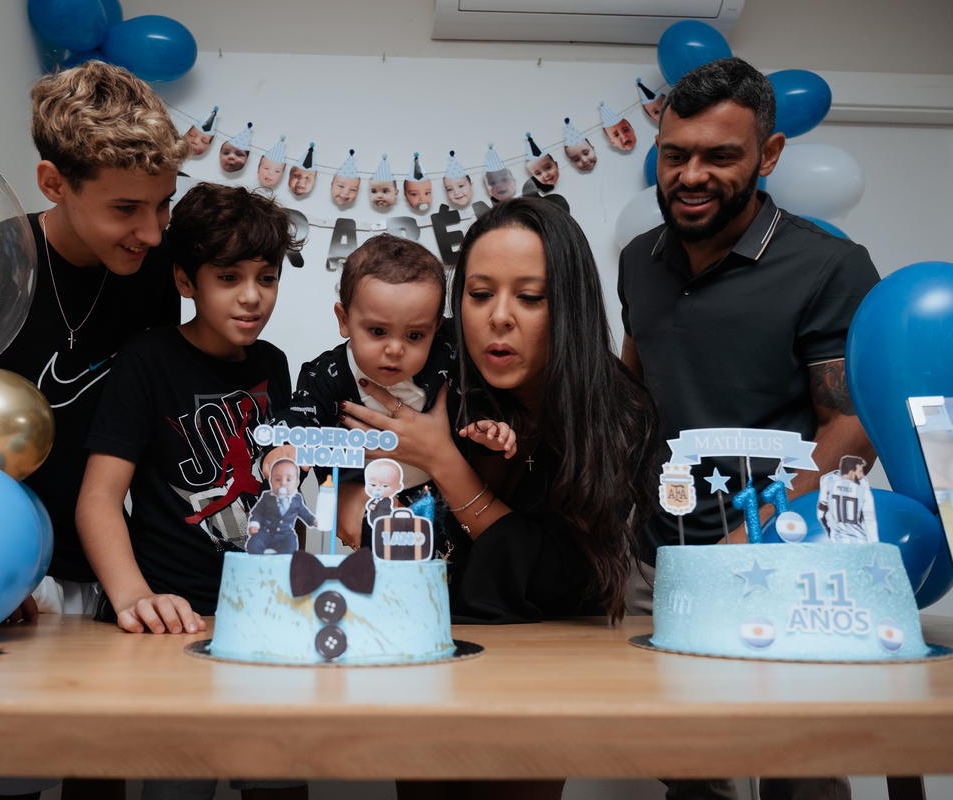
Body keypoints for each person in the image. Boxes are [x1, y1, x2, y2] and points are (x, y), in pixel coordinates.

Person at [618, 57, 878, 800]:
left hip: (786, 562)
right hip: (659, 558)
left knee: (798, 769)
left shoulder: (829, 266)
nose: (692, 175)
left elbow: (851, 424)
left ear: (768, 155)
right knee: (691, 770)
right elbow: (635, 385)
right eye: (676, 155)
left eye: (719, 156)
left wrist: (755, 534)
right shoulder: (639, 259)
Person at [340, 197, 659, 800]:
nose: (499, 318)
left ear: (567, 307)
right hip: (435, 650)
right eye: (480, 294)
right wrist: (352, 497)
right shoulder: (440, 384)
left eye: (530, 297)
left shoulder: (617, 413)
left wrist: (443, 462)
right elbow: (351, 479)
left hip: (550, 664)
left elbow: (563, 576)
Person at [0, 59, 188, 800]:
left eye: (163, 205)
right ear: (54, 184)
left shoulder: (152, 269)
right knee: (3, 776)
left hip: (106, 563)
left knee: (100, 764)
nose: (151, 231)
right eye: (125, 210)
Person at [76, 182, 306, 800]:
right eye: (229, 276)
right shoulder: (147, 360)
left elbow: (274, 486)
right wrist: (134, 599)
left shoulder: (275, 363)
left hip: (261, 617)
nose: (252, 296)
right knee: (178, 785)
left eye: (267, 276)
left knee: (278, 780)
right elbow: (98, 498)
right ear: (186, 281)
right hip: (173, 623)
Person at [267, 234, 514, 552]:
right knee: (382, 560)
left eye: (414, 335)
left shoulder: (446, 356)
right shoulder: (325, 374)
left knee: (453, 558)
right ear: (344, 320)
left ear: (436, 327)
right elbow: (301, 414)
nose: (395, 349)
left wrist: (485, 428)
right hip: (367, 495)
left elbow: (472, 406)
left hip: (437, 491)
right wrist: (287, 443)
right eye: (378, 331)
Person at [246, 458, 318, 554]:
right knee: (255, 542)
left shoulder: (296, 499)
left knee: (291, 547)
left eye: (289, 480)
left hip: (286, 533)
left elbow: (303, 513)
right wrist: (254, 524)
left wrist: (313, 521)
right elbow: (258, 511)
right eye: (278, 479)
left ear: (296, 483)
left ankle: (287, 562)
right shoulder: (267, 497)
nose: (283, 483)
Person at [818, 455, 878, 542]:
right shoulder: (863, 490)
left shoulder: (827, 483)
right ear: (851, 472)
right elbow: (870, 520)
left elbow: (821, 513)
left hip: (834, 540)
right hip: (858, 542)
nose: (861, 474)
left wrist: (827, 530)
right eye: (860, 471)